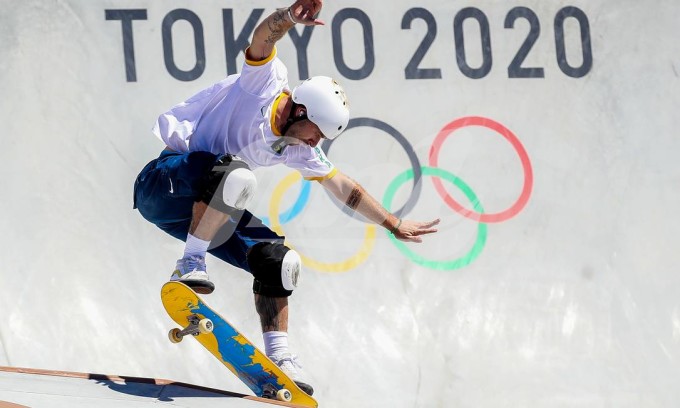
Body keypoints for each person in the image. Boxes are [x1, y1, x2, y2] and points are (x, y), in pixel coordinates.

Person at [133, 0, 439, 395]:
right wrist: (290, 18)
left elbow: (345, 188)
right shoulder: (263, 83)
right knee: (235, 175)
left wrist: (392, 224)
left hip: (202, 212)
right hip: (163, 183)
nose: (318, 141)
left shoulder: (298, 147)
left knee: (279, 260)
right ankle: (190, 263)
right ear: (299, 109)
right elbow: (263, 37)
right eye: (318, 130)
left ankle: (279, 357)